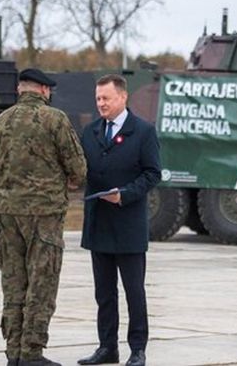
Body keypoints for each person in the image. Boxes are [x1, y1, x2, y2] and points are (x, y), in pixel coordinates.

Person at [0, 68, 87, 366]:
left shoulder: (1, 121)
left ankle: (14, 352)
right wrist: (67, 181)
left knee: (13, 283)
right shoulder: (55, 119)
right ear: (43, 90)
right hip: (44, 214)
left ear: (20, 90)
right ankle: (32, 353)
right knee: (42, 282)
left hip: (7, 214)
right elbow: (78, 169)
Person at [77, 74, 161, 366]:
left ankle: (137, 350)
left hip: (128, 224)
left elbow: (153, 173)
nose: (101, 103)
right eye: (98, 98)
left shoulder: (143, 131)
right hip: (99, 222)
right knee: (104, 293)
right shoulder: (90, 132)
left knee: (134, 292)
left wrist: (124, 194)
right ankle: (107, 348)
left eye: (106, 98)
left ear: (123, 97)